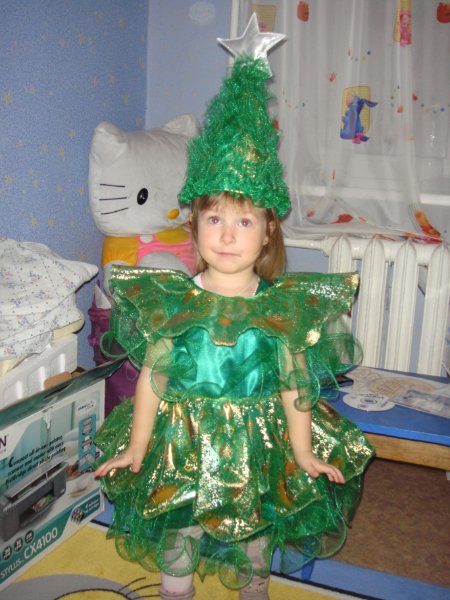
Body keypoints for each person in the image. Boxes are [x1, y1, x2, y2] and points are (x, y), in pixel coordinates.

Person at [94, 16, 374, 600]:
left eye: (244, 221)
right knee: (180, 531)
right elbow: (152, 375)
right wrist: (138, 445)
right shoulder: (175, 300)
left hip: (258, 450)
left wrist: (303, 452)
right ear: (194, 225)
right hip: (182, 445)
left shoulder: (281, 308)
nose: (226, 234)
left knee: (255, 539)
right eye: (214, 217)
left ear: (268, 231)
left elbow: (296, 385)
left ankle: (254, 591)